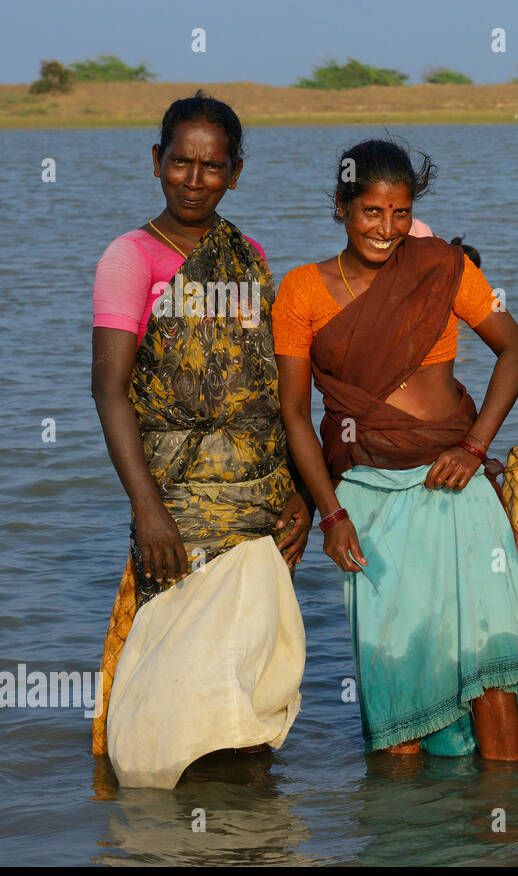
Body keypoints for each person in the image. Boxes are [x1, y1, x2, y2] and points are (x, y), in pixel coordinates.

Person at [274, 139, 518, 760]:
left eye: (400, 213)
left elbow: (517, 350)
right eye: (371, 211)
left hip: (454, 486)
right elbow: (294, 413)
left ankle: (504, 829)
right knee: (394, 666)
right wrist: (332, 514)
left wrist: (476, 444)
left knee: (490, 661)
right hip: (368, 499)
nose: (387, 228)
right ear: (342, 206)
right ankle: (405, 835)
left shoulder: (444, 267)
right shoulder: (301, 291)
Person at [90, 92, 311, 785]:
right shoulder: (130, 258)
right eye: (180, 162)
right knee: (183, 690)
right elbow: (109, 390)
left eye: (211, 167)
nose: (194, 179)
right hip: (178, 510)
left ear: (235, 173)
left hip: (259, 507)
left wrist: (300, 494)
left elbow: (266, 390)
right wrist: (149, 509)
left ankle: (246, 838)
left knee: (245, 695)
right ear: (156, 162)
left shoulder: (247, 257)